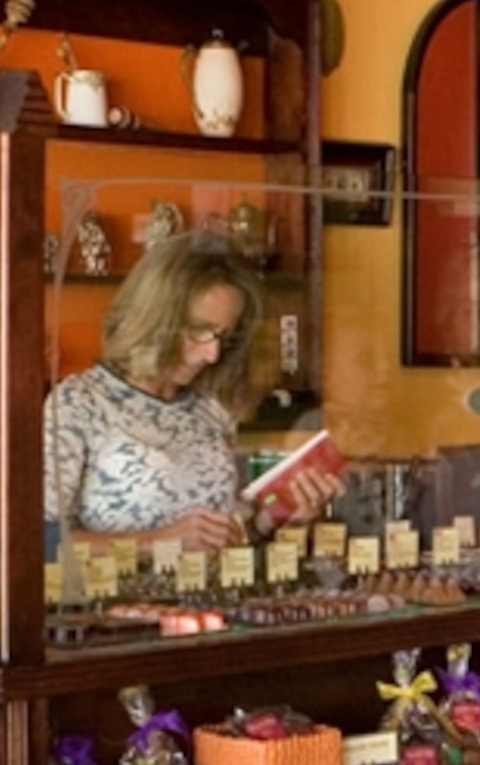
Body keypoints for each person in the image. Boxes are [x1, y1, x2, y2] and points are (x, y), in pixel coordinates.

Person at [42, 231, 329, 566]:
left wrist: (277, 515)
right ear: (153, 318)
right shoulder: (80, 403)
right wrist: (154, 543)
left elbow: (223, 538)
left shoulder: (211, 407)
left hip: (210, 608)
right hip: (119, 613)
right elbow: (35, 544)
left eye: (224, 335)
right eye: (198, 330)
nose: (212, 353)